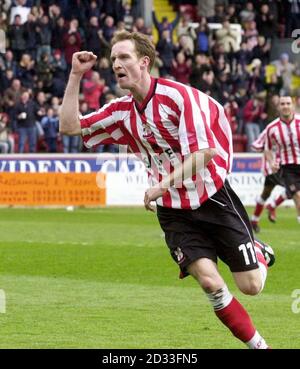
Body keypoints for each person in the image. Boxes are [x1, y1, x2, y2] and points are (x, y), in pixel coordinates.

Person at [60, 31, 275, 349]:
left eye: (124, 57)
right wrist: (75, 75)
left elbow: (205, 153)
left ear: (144, 62)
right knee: (210, 283)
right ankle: (259, 346)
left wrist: (160, 184)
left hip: (212, 196)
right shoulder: (122, 112)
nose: (116, 64)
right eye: (114, 59)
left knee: (251, 286)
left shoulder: (178, 98)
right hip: (174, 210)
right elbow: (69, 126)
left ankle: (258, 252)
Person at [264, 96, 300, 224]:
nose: (285, 106)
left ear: (293, 105)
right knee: (297, 194)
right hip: (287, 167)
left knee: (292, 192)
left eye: (288, 103)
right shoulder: (271, 128)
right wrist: (271, 162)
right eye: (282, 104)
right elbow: (267, 148)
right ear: (278, 107)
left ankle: (272, 205)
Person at [250, 128, 288, 233]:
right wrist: (268, 146)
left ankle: (254, 219)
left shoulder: (294, 127)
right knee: (293, 187)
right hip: (273, 166)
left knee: (265, 194)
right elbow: (256, 145)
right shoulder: (271, 128)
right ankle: (272, 206)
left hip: (278, 167)